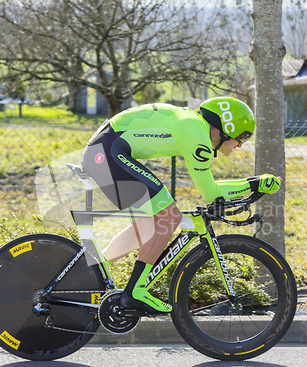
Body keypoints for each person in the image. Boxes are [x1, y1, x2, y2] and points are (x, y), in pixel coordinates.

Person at [81, 96, 280, 314]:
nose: (241, 144)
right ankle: (135, 291)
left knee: (148, 225)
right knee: (170, 218)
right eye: (242, 136)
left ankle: (89, 275)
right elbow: (210, 192)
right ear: (226, 127)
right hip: (107, 153)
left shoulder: (193, 124)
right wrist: (253, 184)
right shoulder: (197, 136)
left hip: (103, 151)